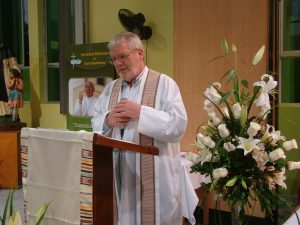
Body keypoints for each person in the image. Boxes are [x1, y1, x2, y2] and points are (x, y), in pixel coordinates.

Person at [92, 32, 187, 225]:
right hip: (120, 178)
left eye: (122, 56)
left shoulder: (164, 84)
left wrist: (141, 113)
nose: (118, 64)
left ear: (140, 54)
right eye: (114, 59)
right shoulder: (111, 89)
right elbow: (95, 120)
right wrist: (107, 121)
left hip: (155, 180)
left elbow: (178, 125)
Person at [0, 42, 21, 117]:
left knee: (8, 96)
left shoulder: (7, 50)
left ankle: (9, 114)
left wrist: (16, 72)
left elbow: (14, 64)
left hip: (6, 78)